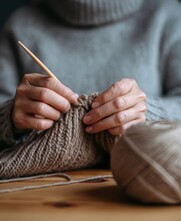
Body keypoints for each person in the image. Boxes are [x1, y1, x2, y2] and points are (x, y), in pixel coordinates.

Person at [0, 0, 181, 151]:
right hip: (39, 189)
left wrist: (149, 113)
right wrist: (10, 117)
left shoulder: (169, 17)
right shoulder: (20, 27)